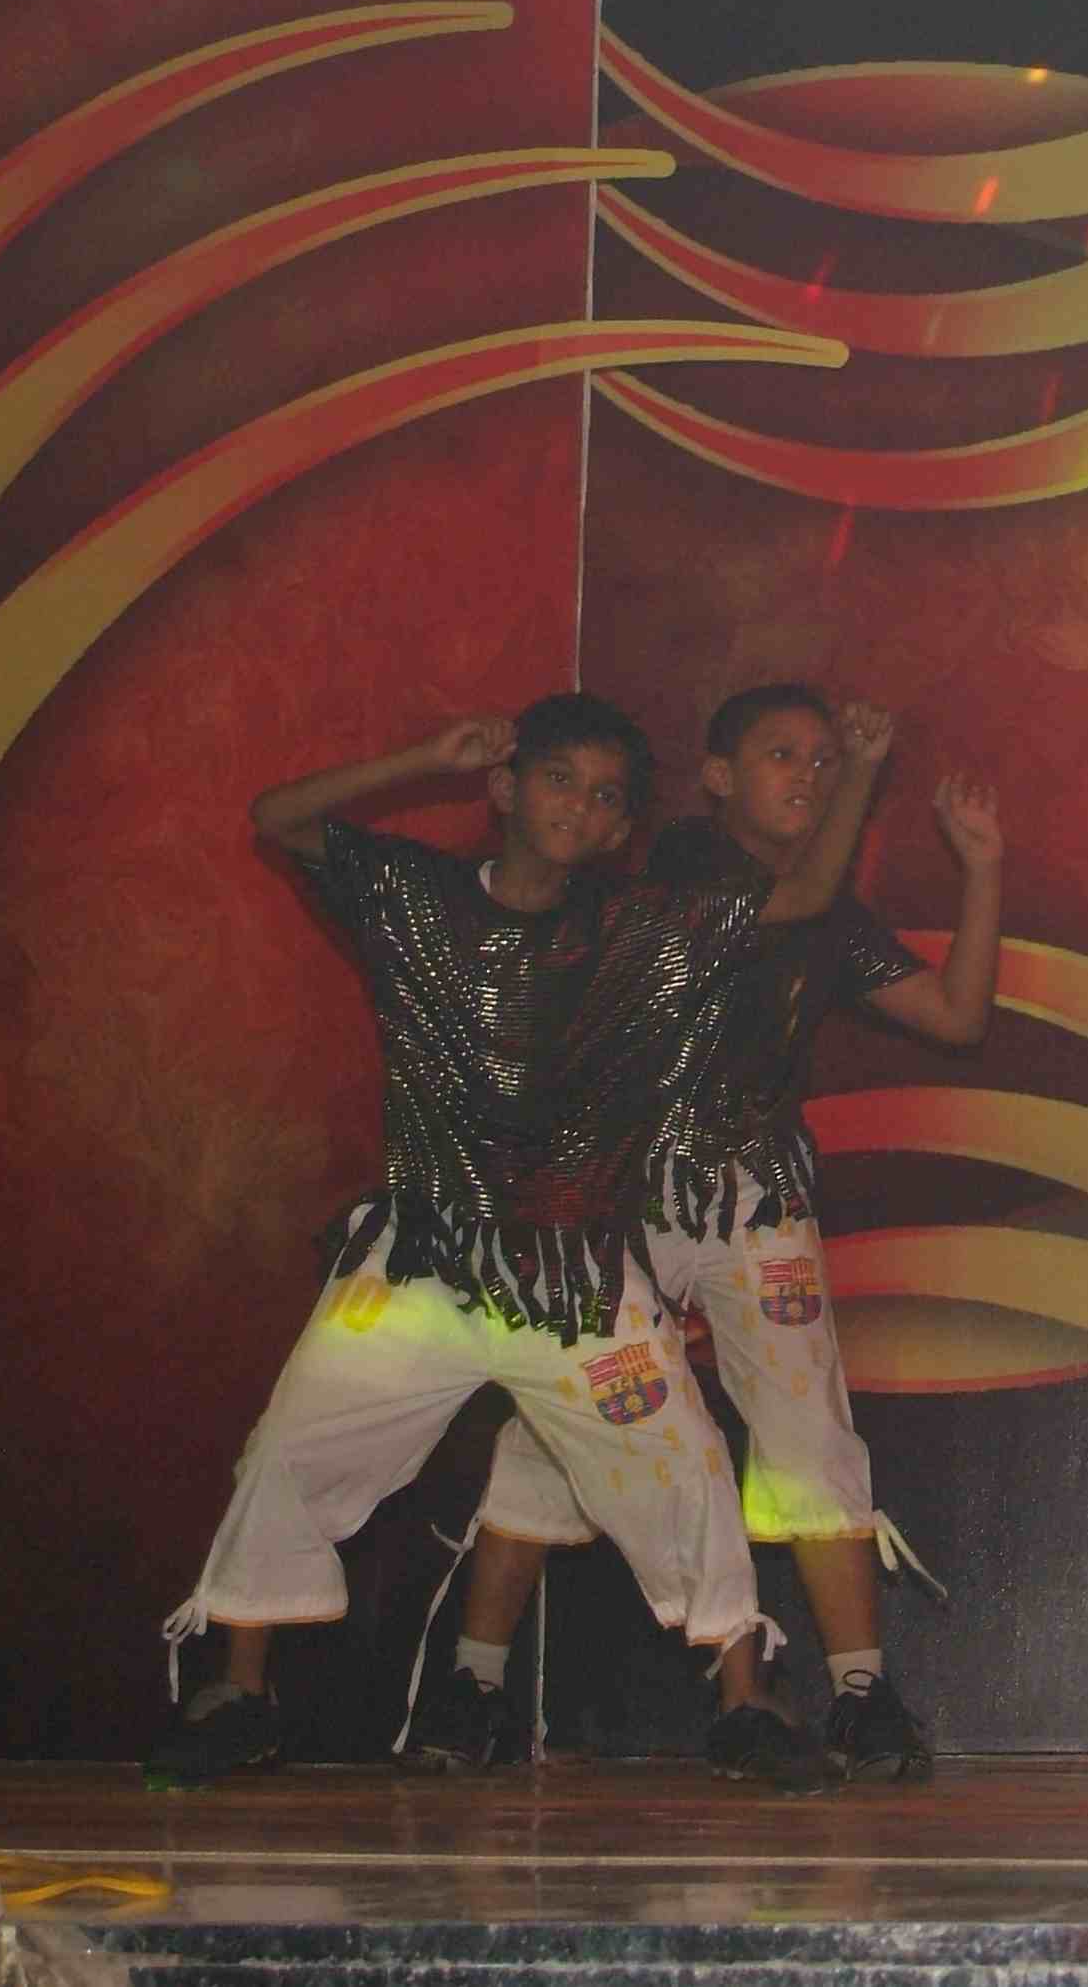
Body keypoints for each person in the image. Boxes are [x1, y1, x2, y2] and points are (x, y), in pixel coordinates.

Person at [149, 693, 892, 1793]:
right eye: (558, 780)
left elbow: (807, 894)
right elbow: (278, 815)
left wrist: (860, 769)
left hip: (575, 1281)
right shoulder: (415, 896)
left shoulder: (639, 928)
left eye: (604, 796)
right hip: (422, 1269)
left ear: (621, 828)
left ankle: (745, 1702)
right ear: (504, 788)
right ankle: (238, 1693)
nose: (578, 807)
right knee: (292, 1449)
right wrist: (422, 755)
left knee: (686, 1471)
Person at [415, 684, 1007, 1782]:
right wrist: (866, 775)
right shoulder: (676, 865)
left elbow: (956, 1017)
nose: (810, 777)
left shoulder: (827, 913)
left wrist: (980, 869)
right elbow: (795, 892)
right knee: (559, 1424)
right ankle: (474, 1685)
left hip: (752, 1192)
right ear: (720, 777)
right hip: (619, 1190)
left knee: (807, 1431)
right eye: (785, 755)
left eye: (825, 761)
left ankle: (860, 1693)